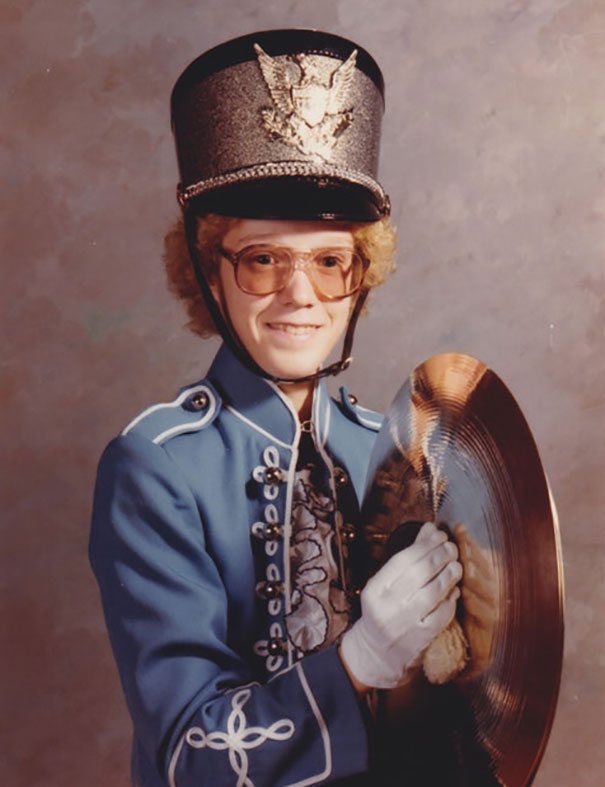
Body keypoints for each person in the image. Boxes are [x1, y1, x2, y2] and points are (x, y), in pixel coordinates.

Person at [89, 30, 462, 786]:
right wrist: (358, 661)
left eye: (330, 262)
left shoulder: (394, 449)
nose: (300, 296)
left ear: (361, 278)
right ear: (209, 273)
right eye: (263, 259)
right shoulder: (155, 465)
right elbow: (191, 755)